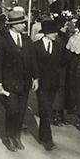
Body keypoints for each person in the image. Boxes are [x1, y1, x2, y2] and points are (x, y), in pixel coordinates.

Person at [0, 9, 40, 152]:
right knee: (12, 111)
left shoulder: (26, 39)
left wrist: (36, 78)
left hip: (24, 84)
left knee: (21, 111)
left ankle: (17, 136)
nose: (25, 26)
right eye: (22, 23)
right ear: (14, 25)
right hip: (9, 85)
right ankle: (9, 137)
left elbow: (33, 60)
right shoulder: (2, 40)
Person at [32, 20, 65, 151]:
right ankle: (48, 139)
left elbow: (61, 63)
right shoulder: (36, 46)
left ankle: (42, 135)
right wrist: (35, 79)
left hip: (54, 83)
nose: (56, 34)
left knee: (47, 109)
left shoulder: (58, 46)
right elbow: (33, 64)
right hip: (41, 82)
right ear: (46, 33)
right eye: (53, 32)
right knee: (44, 109)